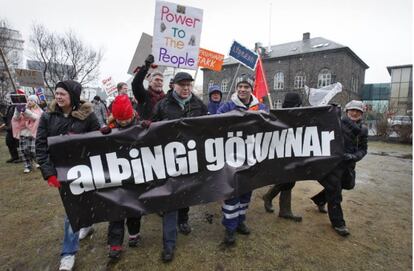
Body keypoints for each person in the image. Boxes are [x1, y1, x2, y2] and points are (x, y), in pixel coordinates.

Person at [36, 80, 100, 271]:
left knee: (87, 202)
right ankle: (68, 253)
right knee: (71, 210)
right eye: (56, 93)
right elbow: (40, 145)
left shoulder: (88, 116)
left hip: (85, 169)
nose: (58, 97)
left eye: (63, 93)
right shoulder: (48, 117)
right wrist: (49, 173)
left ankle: (87, 224)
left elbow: (98, 139)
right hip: (63, 173)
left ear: (73, 95)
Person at [152, 72, 207, 262]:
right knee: (170, 201)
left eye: (189, 85)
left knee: (187, 193)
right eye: (182, 85)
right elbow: (152, 129)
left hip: (191, 159)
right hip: (169, 160)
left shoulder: (199, 105)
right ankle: (169, 244)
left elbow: (207, 129)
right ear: (173, 85)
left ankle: (183, 220)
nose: (186, 88)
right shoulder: (162, 105)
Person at [216, 74, 268, 246]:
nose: (243, 89)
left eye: (246, 87)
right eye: (240, 86)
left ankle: (240, 221)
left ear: (251, 89)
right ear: (236, 88)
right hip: (231, 159)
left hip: (252, 157)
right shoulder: (227, 107)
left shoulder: (260, 106)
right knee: (232, 194)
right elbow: (215, 124)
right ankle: (229, 228)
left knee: (246, 192)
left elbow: (268, 125)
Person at [100, 95, 150, 260]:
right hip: (115, 177)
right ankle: (115, 245)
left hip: (135, 176)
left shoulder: (138, 124)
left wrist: (148, 129)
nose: (123, 123)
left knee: (134, 208)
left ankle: (134, 234)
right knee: (116, 211)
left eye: (126, 119)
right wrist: (101, 135)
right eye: (119, 120)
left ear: (132, 114)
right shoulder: (109, 127)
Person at [310, 100, 368, 237]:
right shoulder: (336, 123)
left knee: (346, 185)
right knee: (335, 193)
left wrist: (354, 157)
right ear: (346, 111)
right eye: (352, 110)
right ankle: (338, 223)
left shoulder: (363, 130)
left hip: (348, 165)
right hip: (333, 166)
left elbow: (363, 149)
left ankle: (319, 200)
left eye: (358, 111)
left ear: (362, 114)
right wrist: (329, 110)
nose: (354, 113)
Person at [262, 92, 303, 222]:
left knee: (290, 180)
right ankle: (271, 198)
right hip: (280, 152)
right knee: (287, 180)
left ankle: (284, 209)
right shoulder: (278, 115)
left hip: (293, 151)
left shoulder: (299, 115)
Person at [11, 95, 43, 173]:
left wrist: (25, 111)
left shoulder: (39, 110)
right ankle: (27, 166)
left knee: (33, 150)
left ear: (35, 102)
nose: (30, 102)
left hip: (33, 132)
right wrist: (17, 111)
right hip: (23, 132)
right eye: (28, 100)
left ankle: (39, 162)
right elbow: (16, 118)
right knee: (23, 150)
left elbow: (35, 117)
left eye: (32, 101)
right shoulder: (22, 108)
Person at [132, 54, 165, 120]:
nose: (159, 82)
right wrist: (146, 67)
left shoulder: (166, 98)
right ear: (150, 83)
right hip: (146, 129)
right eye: (157, 80)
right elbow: (136, 84)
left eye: (161, 80)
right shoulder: (143, 96)